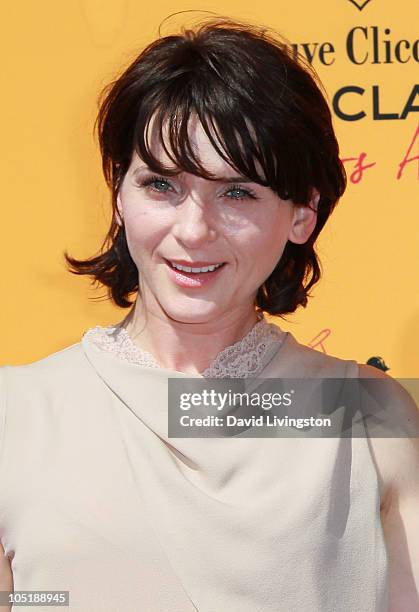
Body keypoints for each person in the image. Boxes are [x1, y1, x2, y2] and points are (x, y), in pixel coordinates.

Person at [1, 16, 418, 612]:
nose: (193, 231)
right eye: (161, 185)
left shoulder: (364, 415)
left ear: (303, 213)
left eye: (238, 192)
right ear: (119, 194)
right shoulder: (17, 413)